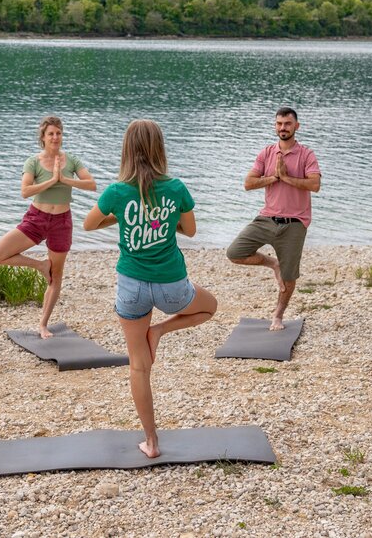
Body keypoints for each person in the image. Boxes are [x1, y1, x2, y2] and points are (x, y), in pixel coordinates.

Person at [83, 119, 217, 459]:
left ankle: (151, 442)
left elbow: (89, 224)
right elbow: (189, 231)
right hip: (172, 284)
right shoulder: (176, 188)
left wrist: (124, 217)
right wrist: (161, 218)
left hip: (131, 288)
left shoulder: (117, 192)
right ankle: (160, 331)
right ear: (160, 148)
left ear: (127, 150)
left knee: (139, 367)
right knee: (209, 306)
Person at [0, 116, 96, 339]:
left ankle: (43, 325)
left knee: (56, 277)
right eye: (51, 134)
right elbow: (25, 191)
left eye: (59, 133)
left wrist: (65, 180)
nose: (55, 137)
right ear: (43, 138)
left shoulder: (72, 160)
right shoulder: (33, 162)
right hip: (36, 219)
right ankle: (39, 265)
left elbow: (91, 185)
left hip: (62, 221)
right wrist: (52, 179)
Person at [225, 107, 322, 331]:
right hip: (267, 218)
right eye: (279, 124)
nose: (282, 128)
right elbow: (248, 183)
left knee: (289, 276)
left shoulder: (306, 154)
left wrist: (287, 178)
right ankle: (273, 264)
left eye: (287, 124)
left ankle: (278, 316)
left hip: (295, 223)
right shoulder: (267, 153)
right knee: (234, 253)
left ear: (296, 126)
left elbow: (314, 185)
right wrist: (273, 177)